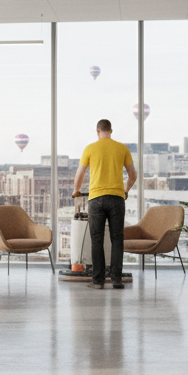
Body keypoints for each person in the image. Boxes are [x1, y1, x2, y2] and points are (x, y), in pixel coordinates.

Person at [73, 119, 137, 289]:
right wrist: (125, 190)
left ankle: (98, 281)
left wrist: (76, 189)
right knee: (117, 239)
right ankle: (116, 279)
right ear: (111, 130)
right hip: (116, 198)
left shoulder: (90, 148)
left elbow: (80, 173)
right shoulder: (122, 148)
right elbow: (133, 175)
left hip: (96, 199)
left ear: (97, 131)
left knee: (97, 240)